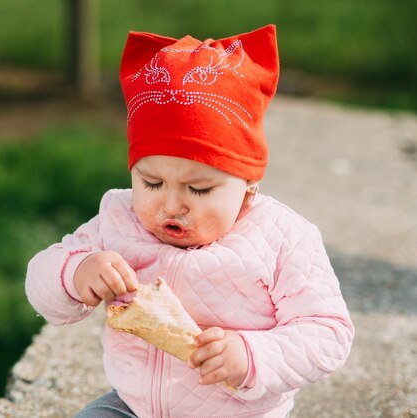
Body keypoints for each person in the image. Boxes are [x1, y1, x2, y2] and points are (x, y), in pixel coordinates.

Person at [25, 24, 354, 418]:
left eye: (198, 189)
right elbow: (39, 277)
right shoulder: (120, 218)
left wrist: (252, 357)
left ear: (249, 183)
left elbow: (327, 332)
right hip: (133, 407)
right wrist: (75, 272)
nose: (171, 205)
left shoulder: (282, 238)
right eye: (152, 182)